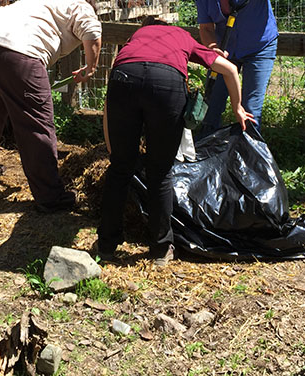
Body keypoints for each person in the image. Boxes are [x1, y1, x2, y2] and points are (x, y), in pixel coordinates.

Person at [97, 17, 253, 266]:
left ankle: (106, 246)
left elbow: (109, 100)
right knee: (160, 171)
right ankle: (160, 248)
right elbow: (231, 69)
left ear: (144, 28)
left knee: (120, 170)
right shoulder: (181, 36)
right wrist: (237, 108)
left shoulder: (134, 39)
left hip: (123, 79)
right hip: (166, 84)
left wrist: (112, 147)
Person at [0, 0, 102, 213]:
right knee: (37, 123)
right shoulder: (81, 5)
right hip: (17, 52)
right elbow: (92, 33)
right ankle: (51, 197)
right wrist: (91, 67)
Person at [187, 0, 295, 134]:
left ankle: (248, 157)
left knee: (250, 110)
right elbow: (206, 27)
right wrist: (212, 48)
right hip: (225, 50)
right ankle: (206, 155)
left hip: (259, 45)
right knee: (210, 106)